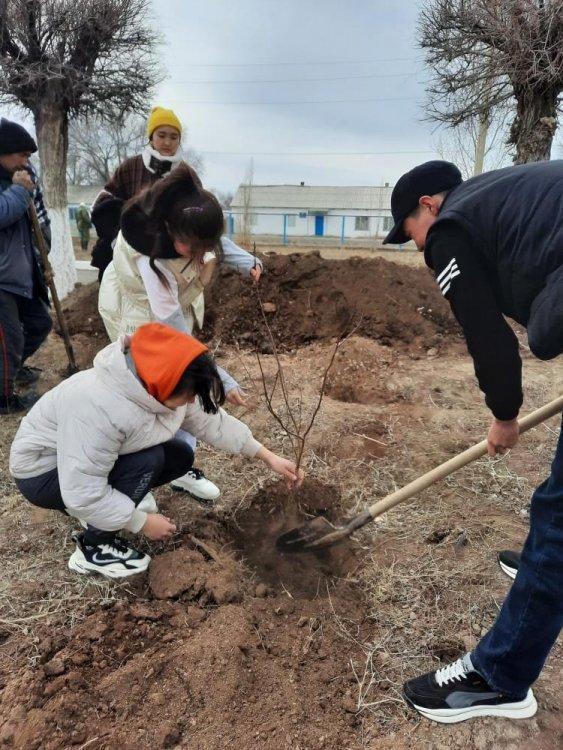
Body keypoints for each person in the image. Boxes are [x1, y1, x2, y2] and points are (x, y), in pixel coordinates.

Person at [383, 160, 563, 723]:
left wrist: (504, 415)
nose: (416, 247)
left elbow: (487, 335)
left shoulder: (449, 230)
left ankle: (501, 677)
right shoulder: (500, 198)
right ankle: (544, 568)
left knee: (558, 519)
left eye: (408, 229)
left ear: (429, 206)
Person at [9, 323, 303, 579]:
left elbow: (211, 422)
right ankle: (92, 548)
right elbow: (82, 488)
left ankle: (104, 511)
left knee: (178, 456)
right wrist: (141, 522)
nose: (190, 400)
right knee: (149, 460)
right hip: (44, 473)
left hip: (78, 465)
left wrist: (267, 456)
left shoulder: (154, 382)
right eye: (187, 394)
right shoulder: (98, 406)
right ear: (163, 386)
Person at [98, 163, 253, 503]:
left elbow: (216, 243)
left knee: (184, 392)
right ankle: (136, 477)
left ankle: (181, 467)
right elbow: (174, 331)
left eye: (203, 248)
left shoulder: (191, 232)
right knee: (150, 393)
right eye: (190, 247)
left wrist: (247, 261)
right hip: (138, 316)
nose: (199, 255)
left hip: (173, 311)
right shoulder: (148, 260)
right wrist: (219, 376)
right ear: (168, 229)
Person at [91, 105, 262, 284]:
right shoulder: (130, 168)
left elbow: (202, 228)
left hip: (174, 257)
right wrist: (121, 237)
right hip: (131, 252)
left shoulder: (187, 175)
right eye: (161, 135)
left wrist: (248, 262)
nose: (167, 142)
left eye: (174, 137)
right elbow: (103, 206)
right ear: (151, 137)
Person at [0, 117, 53, 414]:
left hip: (20, 272)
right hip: (1, 277)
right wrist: (19, 192)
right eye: (21, 155)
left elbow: (34, 227)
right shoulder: (15, 186)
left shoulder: (22, 180)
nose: (26, 162)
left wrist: (42, 262)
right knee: (9, 338)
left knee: (39, 323)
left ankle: (11, 370)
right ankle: (3, 397)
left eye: (28, 157)